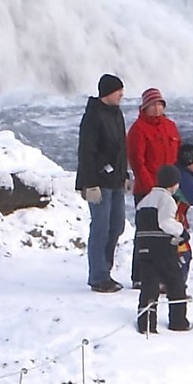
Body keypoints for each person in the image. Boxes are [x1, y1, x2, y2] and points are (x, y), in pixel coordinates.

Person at [132, 141, 193, 334]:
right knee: (175, 283)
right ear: (174, 184)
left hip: (143, 246)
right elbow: (165, 222)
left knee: (149, 286)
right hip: (162, 248)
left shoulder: (145, 200)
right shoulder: (166, 199)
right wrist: (182, 232)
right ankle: (178, 321)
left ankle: (146, 323)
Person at [75, 74, 130, 291]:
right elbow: (86, 152)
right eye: (119, 91)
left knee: (117, 225)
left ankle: (105, 269)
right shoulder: (93, 116)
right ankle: (98, 276)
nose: (122, 95)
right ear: (108, 92)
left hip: (116, 180)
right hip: (99, 182)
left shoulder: (116, 113)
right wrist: (89, 184)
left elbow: (121, 148)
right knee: (100, 227)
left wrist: (125, 174)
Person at [126, 87, 182, 192]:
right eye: (152, 105)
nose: (156, 108)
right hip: (148, 189)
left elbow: (178, 154)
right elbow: (137, 163)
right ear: (145, 108)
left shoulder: (170, 126)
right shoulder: (138, 129)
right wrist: (151, 188)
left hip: (171, 188)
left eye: (159, 104)